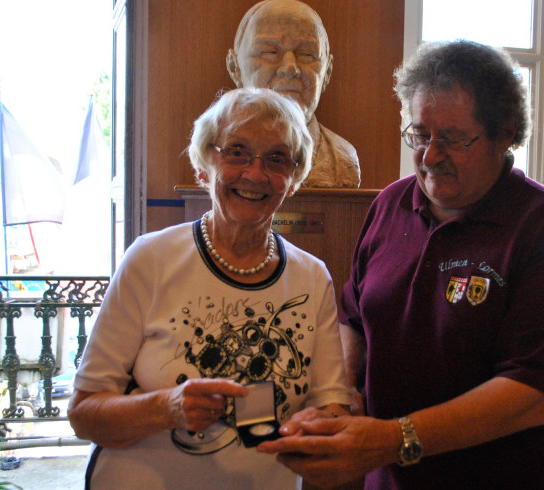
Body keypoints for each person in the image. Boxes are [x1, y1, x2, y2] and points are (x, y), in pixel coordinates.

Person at [258, 40, 544, 489]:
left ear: (505, 132)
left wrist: (393, 439)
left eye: (454, 139)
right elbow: (354, 320)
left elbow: (531, 396)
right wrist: (339, 399)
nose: (431, 155)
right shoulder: (389, 205)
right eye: (419, 135)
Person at [68, 87, 352, 489]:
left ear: (292, 181)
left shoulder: (312, 277)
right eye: (236, 151)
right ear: (204, 166)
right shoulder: (151, 260)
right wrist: (169, 407)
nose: (255, 174)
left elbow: (331, 406)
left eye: (277, 159)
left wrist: (321, 423)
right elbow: (83, 414)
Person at [226, 0, 361, 189]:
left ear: (327, 72)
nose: (290, 67)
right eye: (270, 52)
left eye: (307, 54)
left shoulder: (343, 157)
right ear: (235, 68)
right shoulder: (216, 151)